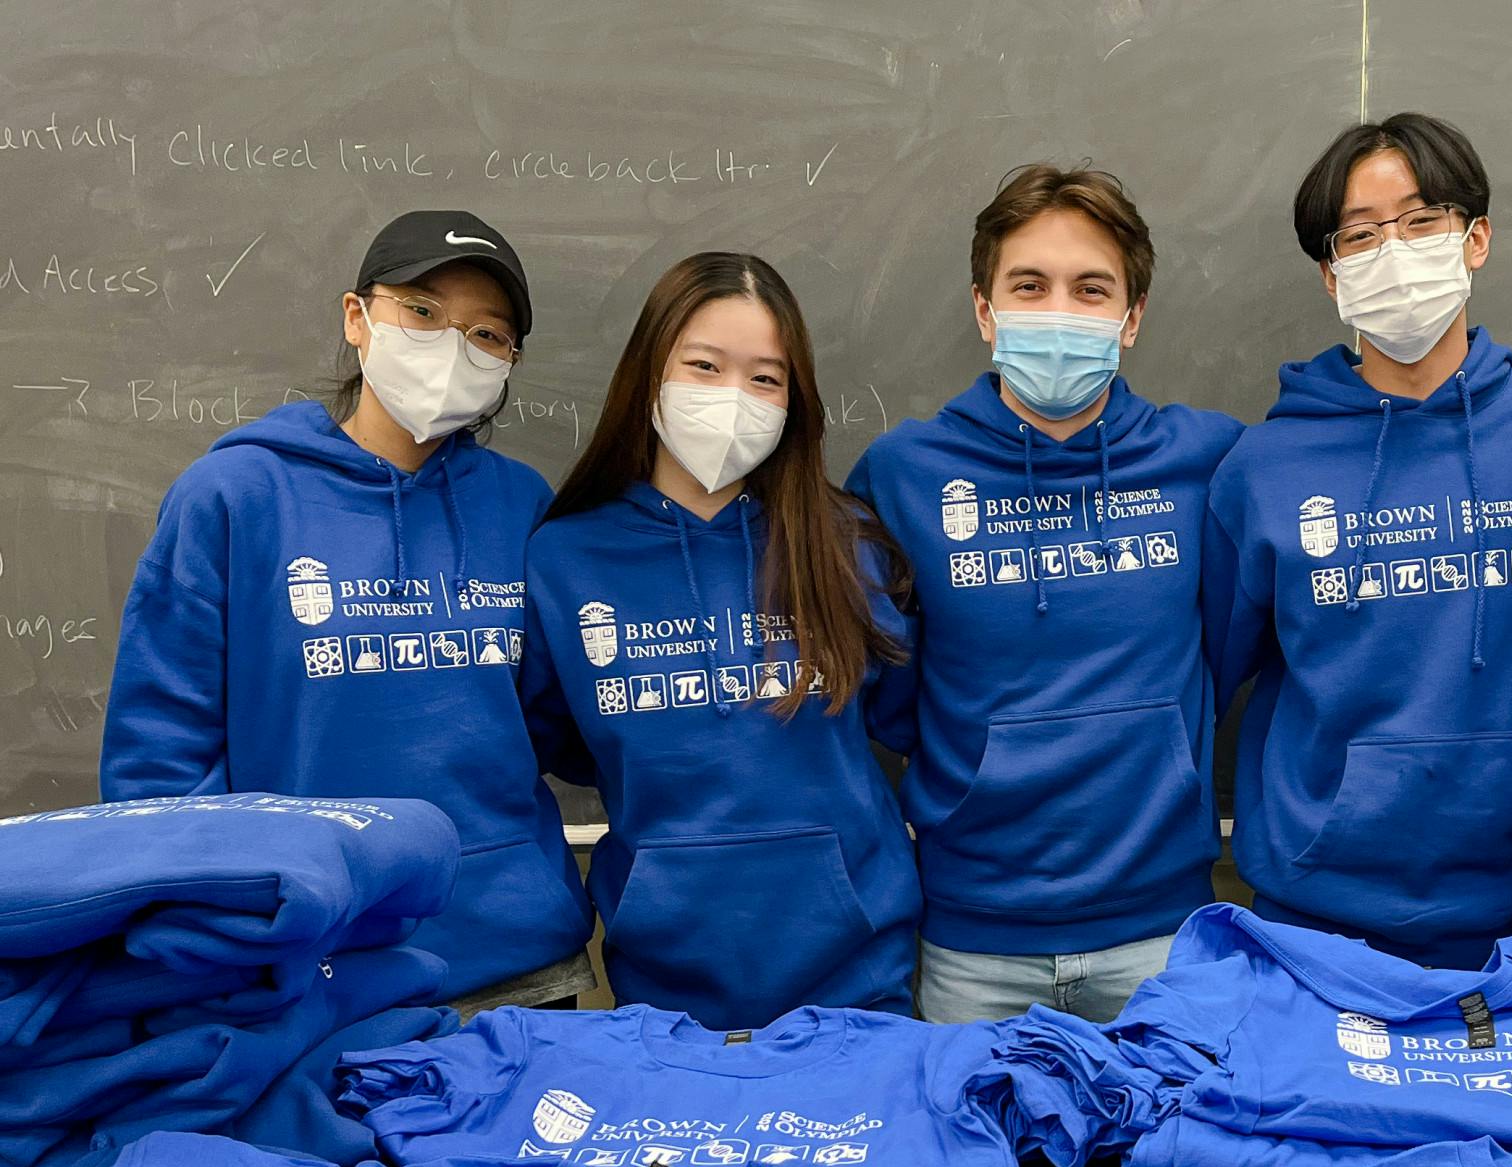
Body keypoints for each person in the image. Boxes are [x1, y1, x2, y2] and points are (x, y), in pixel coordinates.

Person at [100, 210, 590, 998]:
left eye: (487, 334)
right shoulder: (236, 497)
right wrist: (217, 944)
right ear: (358, 318)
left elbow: (557, 720)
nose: (451, 348)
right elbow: (160, 756)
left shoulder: (520, 506)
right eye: (423, 314)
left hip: (517, 968)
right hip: (311, 969)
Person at [846, 164, 1242, 1023]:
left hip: (1165, 936)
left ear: (1131, 318)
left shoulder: (1209, 463)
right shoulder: (904, 475)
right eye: (1030, 285)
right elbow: (888, 688)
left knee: (1165, 1161)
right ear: (985, 309)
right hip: (973, 947)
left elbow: (1236, 638)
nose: (1059, 310)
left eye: (1090, 289)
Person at [1203, 113, 1512, 968]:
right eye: (1362, 237)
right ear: (1333, 277)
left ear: (1475, 239)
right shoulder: (1263, 468)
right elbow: (1205, 676)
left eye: (1420, 224)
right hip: (1313, 918)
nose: (1395, 253)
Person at [520, 252, 921, 1024]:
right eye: (704, 366)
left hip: (857, 984)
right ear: (649, 374)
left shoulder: (846, 547)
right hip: (666, 997)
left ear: (794, 401)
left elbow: (904, 718)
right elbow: (563, 743)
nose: (733, 399)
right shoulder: (565, 560)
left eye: (765, 379)